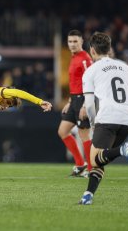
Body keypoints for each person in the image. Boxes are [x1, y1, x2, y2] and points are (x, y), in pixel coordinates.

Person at [79, 32, 128, 205]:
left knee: (94, 159)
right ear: (109, 49)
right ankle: (88, 195)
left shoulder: (91, 71)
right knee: (100, 158)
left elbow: (90, 104)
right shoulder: (127, 68)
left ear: (92, 50)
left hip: (107, 118)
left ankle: (124, 150)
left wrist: (92, 123)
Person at [58, 30, 93, 177]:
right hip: (74, 99)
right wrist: (70, 101)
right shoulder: (74, 57)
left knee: (84, 135)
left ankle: (92, 170)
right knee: (63, 131)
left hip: (83, 100)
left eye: (75, 41)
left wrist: (85, 105)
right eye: (70, 41)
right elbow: (76, 82)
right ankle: (80, 164)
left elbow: (91, 82)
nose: (72, 44)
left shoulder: (85, 58)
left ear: (81, 42)